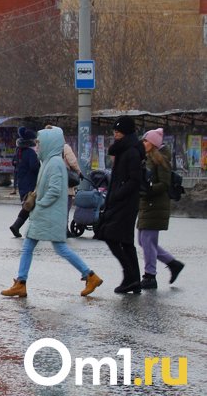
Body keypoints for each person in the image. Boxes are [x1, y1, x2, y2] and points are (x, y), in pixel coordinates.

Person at [1, 126, 104, 298]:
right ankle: (21, 282)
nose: (37, 147)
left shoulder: (55, 163)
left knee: (60, 248)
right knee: (30, 246)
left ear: (49, 143)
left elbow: (55, 190)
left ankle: (90, 276)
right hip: (46, 214)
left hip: (48, 213)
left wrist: (40, 204)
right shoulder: (50, 161)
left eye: (40, 143)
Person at [94, 116, 145, 294]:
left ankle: (130, 275)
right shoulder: (123, 150)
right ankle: (134, 280)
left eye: (118, 131)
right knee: (126, 242)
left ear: (126, 132)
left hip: (125, 203)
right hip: (121, 201)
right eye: (114, 131)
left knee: (111, 236)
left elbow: (134, 180)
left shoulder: (131, 152)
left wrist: (117, 194)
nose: (115, 134)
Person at [137, 128, 184, 289]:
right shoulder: (148, 158)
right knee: (143, 241)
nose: (143, 143)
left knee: (147, 241)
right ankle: (173, 263)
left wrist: (149, 189)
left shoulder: (161, 160)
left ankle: (150, 276)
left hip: (156, 205)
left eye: (146, 141)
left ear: (153, 144)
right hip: (147, 204)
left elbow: (164, 184)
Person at [9, 128, 40, 238]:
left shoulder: (18, 152)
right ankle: (17, 226)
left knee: (27, 205)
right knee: (30, 205)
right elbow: (34, 167)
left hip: (21, 182)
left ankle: (17, 226)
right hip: (30, 183)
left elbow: (13, 162)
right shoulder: (31, 153)